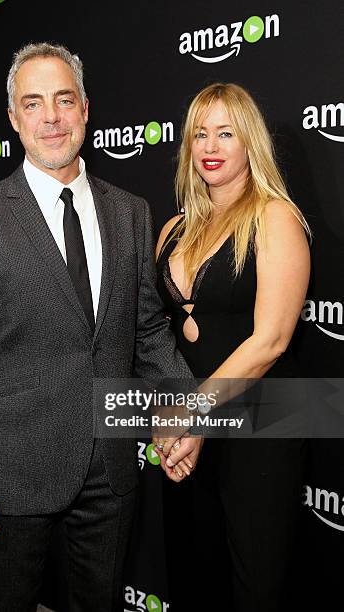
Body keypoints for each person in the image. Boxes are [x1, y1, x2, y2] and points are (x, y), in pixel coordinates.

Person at [0, 42, 195, 612]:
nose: (51, 117)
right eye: (33, 103)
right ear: (13, 119)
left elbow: (147, 332)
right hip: (11, 478)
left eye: (63, 100)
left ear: (85, 110)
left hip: (111, 470)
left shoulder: (130, 212)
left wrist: (184, 413)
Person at [153, 83, 310, 611]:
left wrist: (191, 415)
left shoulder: (275, 218)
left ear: (250, 144)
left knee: (256, 583)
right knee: (195, 574)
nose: (210, 146)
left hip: (262, 423)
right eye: (200, 133)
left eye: (226, 133)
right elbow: (159, 334)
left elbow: (270, 342)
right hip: (190, 423)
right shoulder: (173, 229)